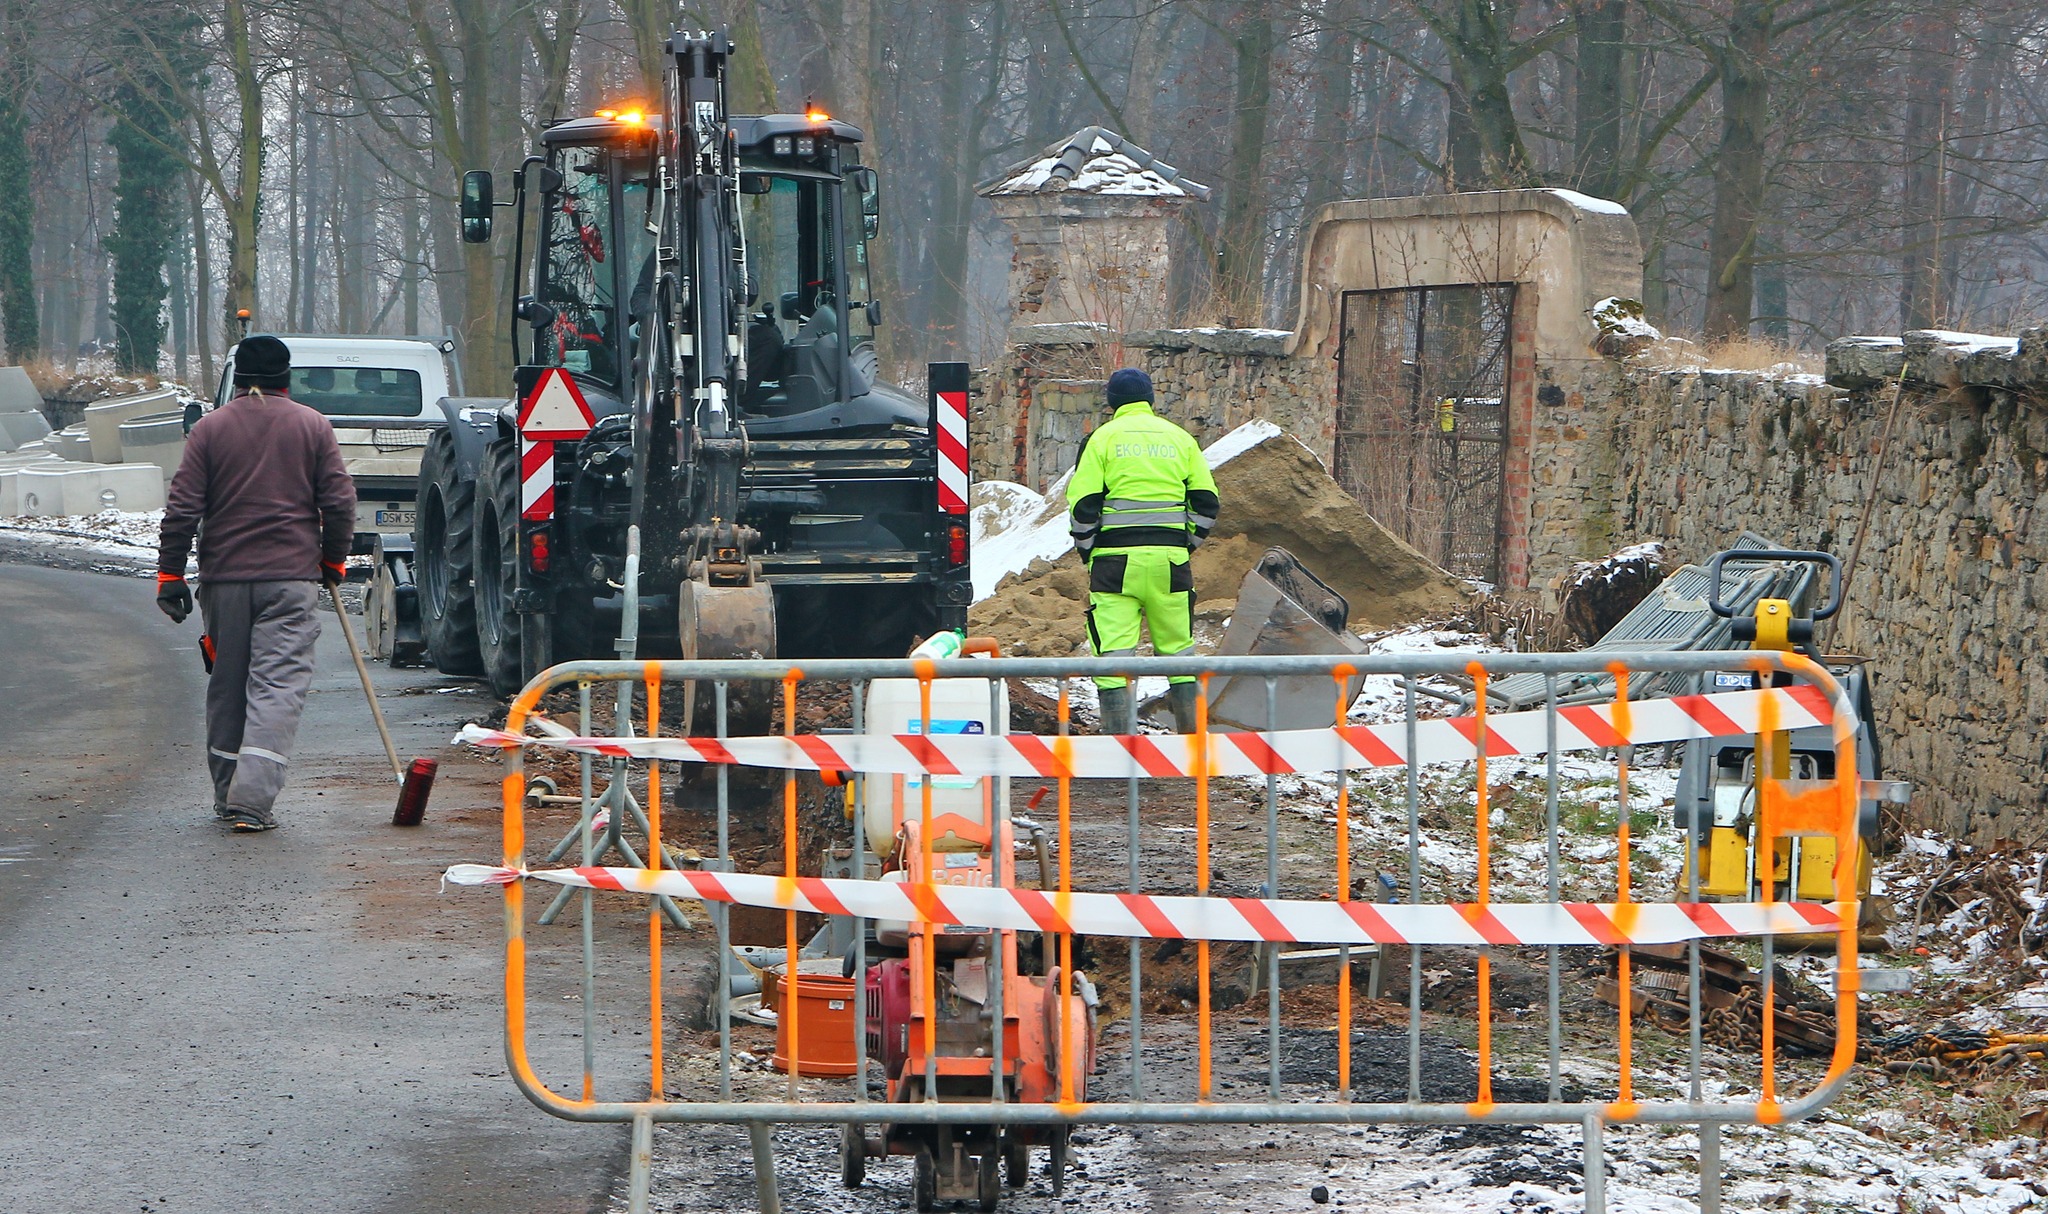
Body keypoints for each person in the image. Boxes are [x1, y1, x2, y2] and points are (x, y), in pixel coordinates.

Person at [156, 335, 357, 832]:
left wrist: (170, 574)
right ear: (287, 379)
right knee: (277, 686)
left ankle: (228, 795)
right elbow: (339, 502)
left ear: (239, 379)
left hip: (223, 581)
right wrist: (332, 562)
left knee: (228, 686)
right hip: (290, 580)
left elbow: (183, 507)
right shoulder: (313, 426)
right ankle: (252, 801)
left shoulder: (209, 429)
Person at [1065, 368, 1220, 734]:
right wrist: (1185, 545)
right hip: (1170, 562)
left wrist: (1089, 551)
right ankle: (1192, 748)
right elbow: (1206, 502)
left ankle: (1120, 750)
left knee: (1114, 656)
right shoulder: (1180, 439)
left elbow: (1083, 504)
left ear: (1112, 402)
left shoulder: (1101, 440)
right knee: (1180, 651)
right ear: (1151, 399)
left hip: (1114, 564)